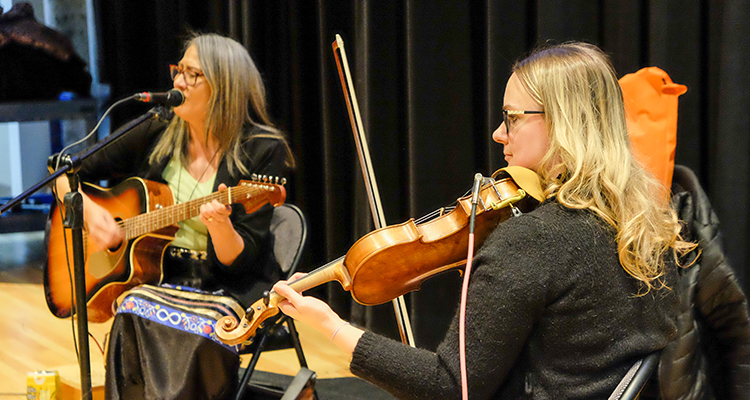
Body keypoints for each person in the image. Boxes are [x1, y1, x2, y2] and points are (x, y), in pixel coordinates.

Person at [272, 42, 695, 399]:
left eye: (512, 117)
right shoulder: (648, 224)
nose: (498, 133)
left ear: (566, 122)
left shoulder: (534, 240)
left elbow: (450, 385)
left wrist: (330, 326)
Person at [54, 33, 294, 399]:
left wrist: (220, 225)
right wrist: (89, 212)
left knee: (197, 329)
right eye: (177, 71)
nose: (177, 82)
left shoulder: (261, 149)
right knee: (130, 310)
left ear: (224, 86)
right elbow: (63, 170)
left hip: (229, 285)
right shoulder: (159, 129)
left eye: (191, 74)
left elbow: (238, 263)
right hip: (163, 275)